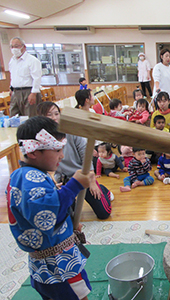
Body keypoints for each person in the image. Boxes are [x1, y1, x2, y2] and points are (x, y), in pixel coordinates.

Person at [7, 116, 93, 300]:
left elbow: (49, 210)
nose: (62, 155)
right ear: (32, 152)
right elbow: (48, 215)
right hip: (57, 266)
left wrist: (69, 223)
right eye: (57, 149)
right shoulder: (30, 179)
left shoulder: (25, 175)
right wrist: (75, 185)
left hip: (46, 264)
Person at [37, 101, 113, 220]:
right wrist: (52, 184)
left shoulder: (71, 131)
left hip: (82, 174)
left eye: (56, 113)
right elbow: (41, 167)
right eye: (49, 115)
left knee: (104, 213)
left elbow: (86, 155)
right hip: (64, 179)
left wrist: (92, 180)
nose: (54, 118)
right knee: (68, 217)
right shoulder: (41, 138)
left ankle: (104, 190)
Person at [9, 37, 42, 117]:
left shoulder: (32, 60)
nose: (14, 49)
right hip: (16, 92)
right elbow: (13, 76)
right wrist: (11, 88)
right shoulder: (12, 61)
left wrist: (33, 93)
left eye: (16, 46)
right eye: (12, 46)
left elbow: (37, 78)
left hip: (29, 91)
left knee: (30, 117)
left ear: (24, 47)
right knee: (13, 116)